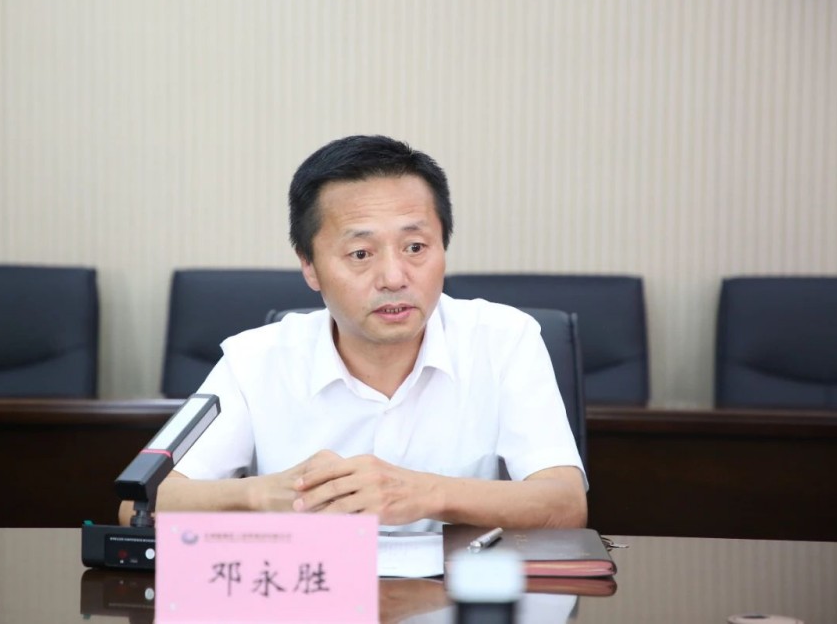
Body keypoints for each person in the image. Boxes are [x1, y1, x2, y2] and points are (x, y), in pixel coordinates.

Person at [120, 135, 586, 531]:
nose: (394, 277)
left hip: (457, 595)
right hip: (309, 596)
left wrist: (426, 493)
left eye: (416, 247)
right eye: (361, 254)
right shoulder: (254, 360)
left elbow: (566, 504)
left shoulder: (505, 339)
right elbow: (139, 505)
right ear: (310, 267)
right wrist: (263, 494)